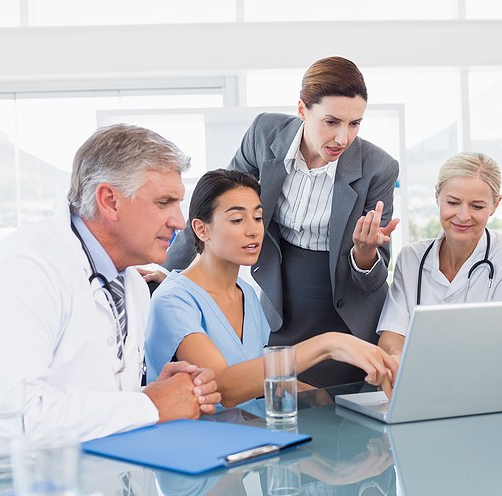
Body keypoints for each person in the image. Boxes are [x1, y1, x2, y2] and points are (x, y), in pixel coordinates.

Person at [0, 124, 220, 461]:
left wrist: (148, 393)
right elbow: (5, 424)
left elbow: (85, 397)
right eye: (164, 202)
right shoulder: (25, 269)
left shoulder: (132, 282)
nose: (179, 221)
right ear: (110, 201)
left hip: (65, 484)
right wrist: (150, 404)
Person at [163, 56, 399, 388]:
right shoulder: (265, 134)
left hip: (348, 314)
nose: (343, 138)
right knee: (279, 399)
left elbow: (374, 276)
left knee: (337, 413)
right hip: (281, 302)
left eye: (355, 123)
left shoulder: (379, 167)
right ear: (302, 110)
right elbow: (215, 204)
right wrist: (167, 273)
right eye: (331, 121)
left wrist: (364, 253)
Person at [146, 169, 397, 409]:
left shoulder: (246, 294)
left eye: (257, 218)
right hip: (198, 443)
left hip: (252, 436)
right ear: (201, 229)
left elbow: (261, 381)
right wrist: (329, 344)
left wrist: (332, 405)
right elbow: (225, 388)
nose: (252, 230)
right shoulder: (173, 300)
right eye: (237, 219)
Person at [376, 151, 502, 358]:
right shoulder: (411, 257)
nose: (463, 216)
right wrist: (397, 360)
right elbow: (391, 335)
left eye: (477, 206)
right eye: (453, 202)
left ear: (495, 205)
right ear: (437, 197)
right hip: (418, 381)